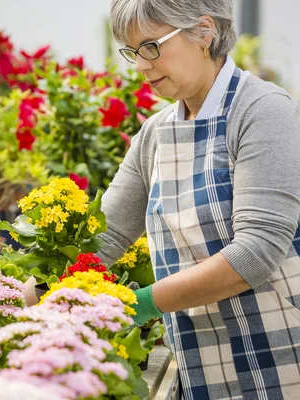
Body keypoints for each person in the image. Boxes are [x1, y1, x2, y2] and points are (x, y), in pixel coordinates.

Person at [87, 0, 300, 398]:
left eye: (150, 46)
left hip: (280, 351)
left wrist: (134, 305)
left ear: (204, 33)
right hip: (199, 357)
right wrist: (23, 297)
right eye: (132, 52)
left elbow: (255, 252)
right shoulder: (155, 134)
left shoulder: (263, 112)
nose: (140, 66)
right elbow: (103, 237)